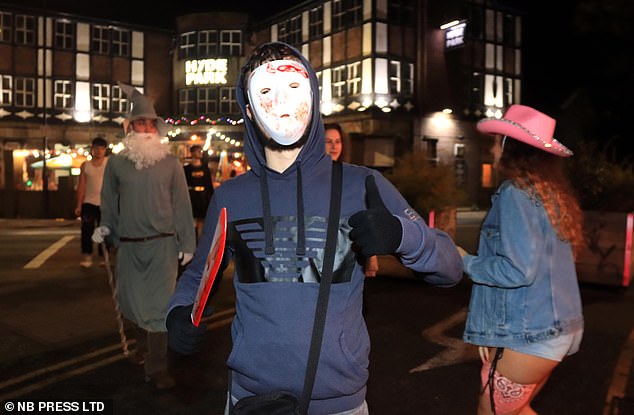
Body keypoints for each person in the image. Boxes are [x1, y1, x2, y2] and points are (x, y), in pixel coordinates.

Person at [166, 41, 463, 414]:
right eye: (265, 91)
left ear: (314, 95)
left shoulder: (362, 184)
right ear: (249, 110)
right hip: (252, 399)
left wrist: (404, 235)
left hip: (340, 403)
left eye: (294, 87)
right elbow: (199, 275)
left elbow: (450, 267)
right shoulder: (231, 197)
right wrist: (179, 311)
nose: (282, 102)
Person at [459, 104, 584, 415]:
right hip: (558, 330)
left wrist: (466, 262)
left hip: (529, 334)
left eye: (496, 140)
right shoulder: (552, 195)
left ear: (509, 147)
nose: (491, 147)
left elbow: (517, 270)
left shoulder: (516, 193)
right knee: (517, 410)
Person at [91, 83, 196, 391]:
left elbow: (182, 205)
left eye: (151, 123)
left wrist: (187, 244)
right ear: (131, 127)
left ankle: (157, 368)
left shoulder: (171, 164)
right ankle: (142, 348)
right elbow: (109, 200)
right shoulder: (117, 164)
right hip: (130, 247)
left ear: (157, 127)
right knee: (134, 305)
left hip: (163, 246)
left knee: (159, 311)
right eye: (141, 123)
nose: (147, 128)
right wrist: (106, 226)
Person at [324, 123, 379, 278]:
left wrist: (371, 255)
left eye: (338, 141)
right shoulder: (309, 177)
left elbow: (362, 213)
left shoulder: (350, 177)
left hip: (348, 251)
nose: (334, 146)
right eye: (328, 141)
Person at [74, 137, 109, 268]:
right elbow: (81, 186)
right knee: (87, 230)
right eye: (96, 148)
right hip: (88, 202)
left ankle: (102, 256)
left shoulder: (109, 163)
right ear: (92, 150)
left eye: (101, 148)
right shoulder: (85, 165)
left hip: (105, 203)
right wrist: (79, 205)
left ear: (105, 150)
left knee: (103, 231)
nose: (99, 151)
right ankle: (87, 255)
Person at [184, 144, 214, 240]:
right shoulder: (186, 169)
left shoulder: (205, 169)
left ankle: (200, 241)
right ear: (192, 153)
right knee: (191, 220)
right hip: (191, 196)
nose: (200, 153)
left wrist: (211, 197)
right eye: (198, 151)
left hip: (203, 197)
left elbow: (209, 184)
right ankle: (191, 240)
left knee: (202, 220)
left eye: (200, 151)